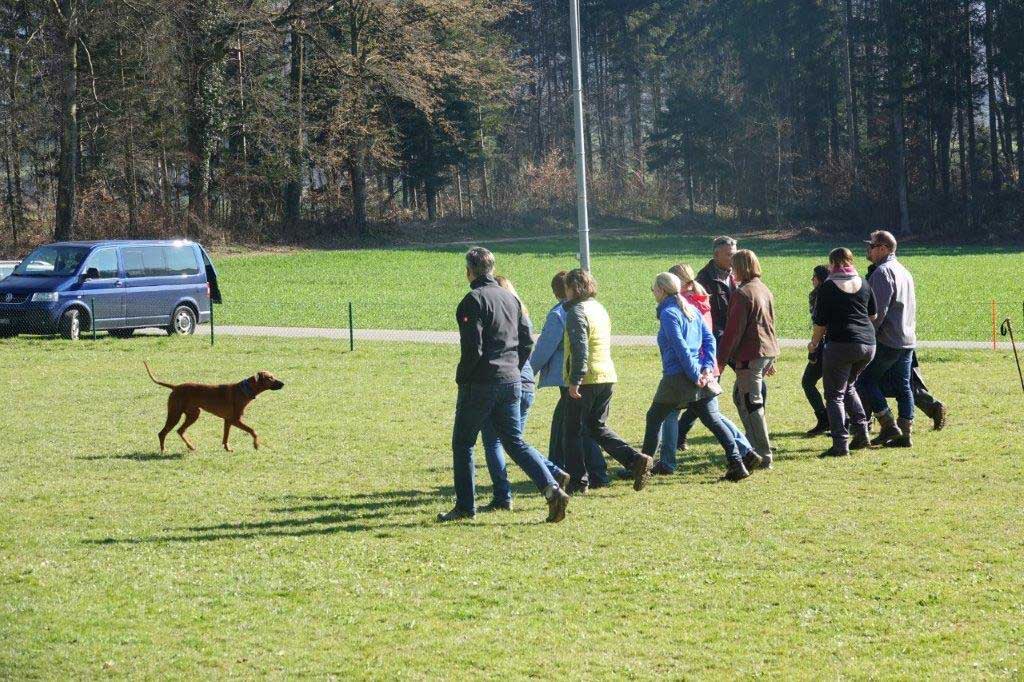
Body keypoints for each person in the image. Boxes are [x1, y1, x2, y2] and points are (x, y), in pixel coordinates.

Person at [441, 247, 570, 523]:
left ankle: (465, 506)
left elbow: (472, 350)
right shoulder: (511, 299)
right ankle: (552, 489)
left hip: (480, 383)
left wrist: (463, 377)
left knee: (463, 443)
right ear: (491, 268)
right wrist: (513, 366)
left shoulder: (472, 300)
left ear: (469, 271)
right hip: (512, 380)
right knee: (514, 442)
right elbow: (527, 342)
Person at [640, 272, 762, 482]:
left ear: (661, 290)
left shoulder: (669, 313)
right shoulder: (691, 309)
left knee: (654, 418)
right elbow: (710, 341)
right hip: (699, 376)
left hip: (678, 378)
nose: (653, 292)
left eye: (653, 289)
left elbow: (681, 349)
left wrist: (697, 373)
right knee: (713, 421)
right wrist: (706, 369)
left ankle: (642, 469)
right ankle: (737, 464)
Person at [478, 275, 568, 512]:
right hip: (525, 382)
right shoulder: (520, 312)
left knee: (494, 442)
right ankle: (554, 472)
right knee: (515, 440)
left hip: (505, 381)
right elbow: (529, 345)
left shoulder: (496, 313)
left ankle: (502, 495)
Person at [562, 268, 654, 494]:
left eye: (567, 288)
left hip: (586, 379)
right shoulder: (599, 308)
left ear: (574, 288)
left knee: (571, 431)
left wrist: (575, 379)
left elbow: (580, 348)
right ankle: (635, 460)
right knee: (595, 426)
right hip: (606, 375)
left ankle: (577, 481)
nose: (565, 293)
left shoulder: (577, 311)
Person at [528, 271, 608, 484]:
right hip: (595, 374)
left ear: (557, 293)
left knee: (572, 427)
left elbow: (544, 348)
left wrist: (527, 374)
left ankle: (574, 471)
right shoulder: (594, 307)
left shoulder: (560, 314)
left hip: (571, 377)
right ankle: (566, 468)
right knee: (575, 424)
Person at [808, 248, 877, 457]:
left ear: (832, 264)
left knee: (834, 395)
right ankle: (862, 433)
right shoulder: (864, 284)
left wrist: (814, 343)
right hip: (868, 344)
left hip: (841, 345)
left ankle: (840, 444)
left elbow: (820, 322)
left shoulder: (828, 287)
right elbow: (873, 315)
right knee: (849, 387)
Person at [855, 230, 917, 448]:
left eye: (871, 246)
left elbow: (877, 312)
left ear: (883, 248)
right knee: (903, 386)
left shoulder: (882, 272)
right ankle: (905, 434)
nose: (868, 249)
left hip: (887, 338)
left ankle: (888, 424)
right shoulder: (904, 271)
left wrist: (867, 336)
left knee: (865, 381)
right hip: (907, 338)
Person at [717, 249, 779, 467]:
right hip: (764, 353)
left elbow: (733, 332)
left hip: (750, 356)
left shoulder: (742, 294)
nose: (731, 270)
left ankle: (761, 454)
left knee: (750, 404)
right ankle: (751, 445)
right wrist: (772, 357)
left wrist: (720, 362)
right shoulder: (763, 289)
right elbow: (770, 325)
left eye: (734, 266)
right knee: (740, 397)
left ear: (740, 267)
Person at [802, 265, 832, 436]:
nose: (812, 280)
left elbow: (819, 323)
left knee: (808, 381)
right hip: (830, 344)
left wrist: (814, 344)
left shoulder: (819, 296)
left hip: (824, 345)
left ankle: (825, 419)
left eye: (814, 276)